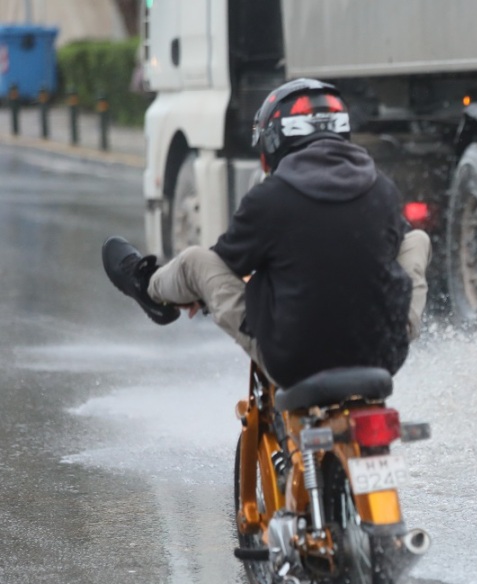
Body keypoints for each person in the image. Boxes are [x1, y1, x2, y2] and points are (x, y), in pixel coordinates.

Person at [101, 78, 431, 388]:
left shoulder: (270, 198)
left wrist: (194, 292)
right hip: (384, 355)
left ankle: (149, 288)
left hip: (294, 361)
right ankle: (397, 330)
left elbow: (226, 264)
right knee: (416, 239)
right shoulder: (382, 191)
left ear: (275, 144)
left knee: (197, 262)